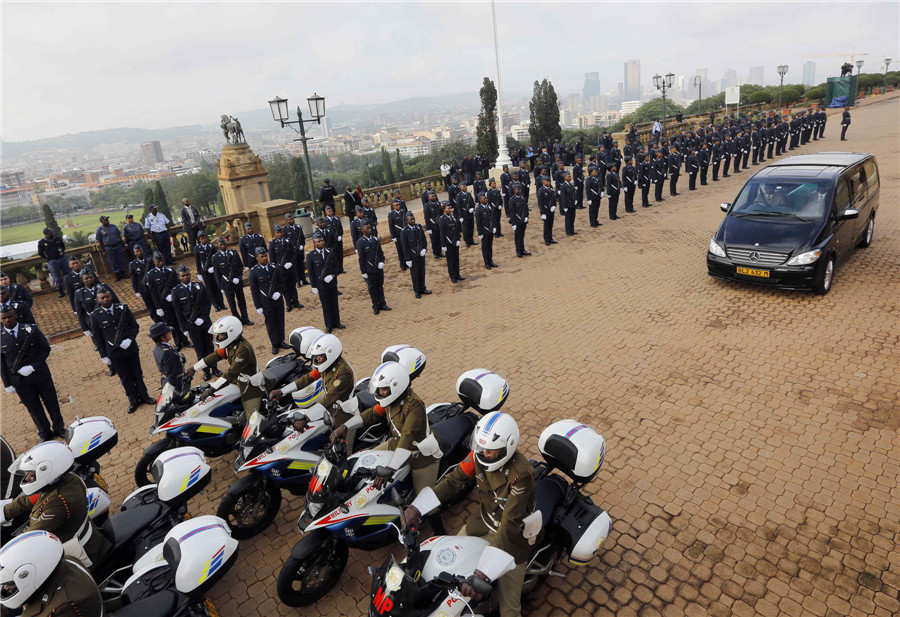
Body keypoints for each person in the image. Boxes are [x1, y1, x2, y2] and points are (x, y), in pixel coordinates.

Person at [402, 412, 533, 617]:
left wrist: (481, 573)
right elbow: (454, 480)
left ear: (507, 448)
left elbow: (509, 524)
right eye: (481, 448)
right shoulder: (477, 455)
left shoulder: (521, 475)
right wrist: (418, 507)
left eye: (490, 451)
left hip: (511, 539)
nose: (484, 454)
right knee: (445, 562)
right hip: (481, 523)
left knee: (509, 610)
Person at [332, 361, 439, 507]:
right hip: (395, 444)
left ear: (396, 387)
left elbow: (408, 436)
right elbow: (371, 414)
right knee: (363, 462)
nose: (380, 393)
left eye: (383, 390)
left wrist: (389, 469)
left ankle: (437, 527)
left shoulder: (414, 405)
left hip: (419, 456)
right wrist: (345, 426)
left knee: (425, 504)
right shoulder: (390, 400)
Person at [0, 441, 112, 570]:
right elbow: (28, 500)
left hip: (79, 555)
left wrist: (6, 554)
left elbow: (31, 536)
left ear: (47, 470)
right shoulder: (65, 480)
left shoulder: (58, 501)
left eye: (31, 474)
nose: (28, 478)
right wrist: (5, 512)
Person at [0, 530, 103, 617]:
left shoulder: (60, 607)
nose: (7, 588)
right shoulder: (64, 562)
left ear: (26, 575)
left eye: (8, 585)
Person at [0, 307, 65, 441]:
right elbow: (1, 363)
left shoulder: (30, 329)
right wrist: (7, 384)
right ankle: (45, 433)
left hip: (40, 374)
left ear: (16, 316)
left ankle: (59, 428)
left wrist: (33, 366)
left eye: (9, 316)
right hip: (19, 380)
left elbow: (45, 349)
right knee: (33, 408)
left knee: (52, 403)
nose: (7, 320)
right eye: (4, 318)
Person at [270, 332, 355, 432]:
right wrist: (282, 391)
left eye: (320, 357)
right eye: (316, 357)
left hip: (344, 412)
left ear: (330, 354)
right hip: (329, 408)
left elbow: (329, 398)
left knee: (341, 442)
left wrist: (306, 417)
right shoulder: (327, 365)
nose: (317, 359)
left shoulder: (344, 374)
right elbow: (307, 379)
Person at [187, 316, 262, 423]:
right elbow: (214, 356)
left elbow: (231, 373)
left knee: (251, 420)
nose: (219, 337)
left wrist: (212, 389)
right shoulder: (230, 345)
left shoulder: (243, 349)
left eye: (221, 335)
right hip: (237, 380)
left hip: (250, 386)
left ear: (231, 333)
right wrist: (194, 368)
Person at [89, 289, 153, 414]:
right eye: (102, 298)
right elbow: (98, 338)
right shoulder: (95, 315)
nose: (105, 299)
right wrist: (103, 356)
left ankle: (145, 396)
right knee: (125, 377)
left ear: (111, 296)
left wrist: (129, 339)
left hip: (130, 348)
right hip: (114, 352)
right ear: (98, 301)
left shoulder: (122, 308)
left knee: (137, 374)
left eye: (107, 296)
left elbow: (134, 326)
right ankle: (133, 400)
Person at [171, 265, 216, 380]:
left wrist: (204, 317)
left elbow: (207, 303)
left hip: (205, 323)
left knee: (210, 347)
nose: (186, 277)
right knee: (200, 350)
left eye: (187, 275)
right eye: (183, 276)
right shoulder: (176, 292)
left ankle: (214, 368)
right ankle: (205, 370)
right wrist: (184, 329)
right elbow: (178, 312)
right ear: (179, 277)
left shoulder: (199, 286)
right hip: (191, 326)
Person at [248, 246, 290, 354]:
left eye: (266, 256)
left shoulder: (274, 267)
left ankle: (281, 340)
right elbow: (254, 290)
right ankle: (274, 343)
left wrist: (279, 292)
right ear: (257, 258)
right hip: (265, 301)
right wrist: (258, 306)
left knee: (280, 320)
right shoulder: (254, 272)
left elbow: (281, 282)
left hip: (277, 299)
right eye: (262, 257)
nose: (265, 258)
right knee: (270, 322)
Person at [149, 322, 198, 398]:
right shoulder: (167, 353)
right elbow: (171, 375)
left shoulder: (158, 348)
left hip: (165, 380)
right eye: (168, 332)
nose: (171, 332)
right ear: (162, 337)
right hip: (176, 383)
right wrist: (175, 389)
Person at [307, 232, 343, 333]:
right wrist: (313, 286)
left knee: (334, 303)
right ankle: (329, 325)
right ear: (314, 243)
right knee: (326, 305)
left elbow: (337, 266)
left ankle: (337, 322)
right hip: (321, 285)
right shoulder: (311, 256)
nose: (321, 243)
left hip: (331, 283)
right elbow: (311, 273)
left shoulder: (329, 252)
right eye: (318, 241)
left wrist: (332, 276)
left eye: (322, 240)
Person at [212, 237, 253, 326]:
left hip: (236, 282)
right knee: (232, 304)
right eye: (220, 245)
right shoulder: (215, 257)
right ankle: (237, 320)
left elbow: (240, 266)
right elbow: (217, 273)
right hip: (226, 284)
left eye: (224, 244)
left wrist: (238, 277)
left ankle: (245, 318)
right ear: (218, 246)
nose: (223, 246)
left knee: (241, 301)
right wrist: (220, 287)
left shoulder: (233, 253)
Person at [355, 222, 390, 315]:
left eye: (370, 228)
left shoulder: (375, 239)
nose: (369, 230)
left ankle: (382, 303)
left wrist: (382, 261)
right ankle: (375, 305)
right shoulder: (360, 242)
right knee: (372, 288)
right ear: (362, 230)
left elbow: (380, 253)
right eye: (367, 228)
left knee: (380, 286)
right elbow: (361, 258)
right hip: (369, 269)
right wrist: (363, 272)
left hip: (378, 268)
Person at [268, 225, 303, 311]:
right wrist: (277, 267)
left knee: (292, 285)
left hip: (290, 268)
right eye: (278, 232)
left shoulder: (288, 241)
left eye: (281, 232)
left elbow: (294, 253)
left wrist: (291, 263)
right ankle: (288, 304)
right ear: (275, 233)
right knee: (284, 287)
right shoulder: (272, 244)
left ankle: (295, 301)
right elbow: (272, 258)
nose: (279, 234)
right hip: (280, 270)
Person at [194, 231, 226, 311]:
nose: (204, 240)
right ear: (199, 240)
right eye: (202, 239)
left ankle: (221, 304)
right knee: (210, 289)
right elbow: (198, 262)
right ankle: (215, 305)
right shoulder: (197, 248)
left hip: (213, 270)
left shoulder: (211, 246)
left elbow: (216, 258)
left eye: (204, 238)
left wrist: (214, 268)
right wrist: (199, 273)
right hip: (205, 272)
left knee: (217, 287)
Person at [37, 228, 68, 297]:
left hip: (62, 259)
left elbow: (63, 247)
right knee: (56, 276)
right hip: (52, 261)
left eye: (52, 232)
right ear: (46, 234)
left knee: (68, 273)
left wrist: (61, 253)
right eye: (50, 232)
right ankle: (60, 290)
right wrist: (48, 258)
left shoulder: (57, 239)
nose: (52, 233)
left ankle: (71, 287)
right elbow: (40, 253)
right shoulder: (42, 242)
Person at [95, 215, 127, 281]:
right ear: (101, 221)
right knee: (113, 261)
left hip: (118, 245)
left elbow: (119, 237)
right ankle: (117, 275)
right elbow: (100, 241)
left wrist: (123, 246)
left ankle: (123, 273)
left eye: (107, 219)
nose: (107, 220)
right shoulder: (99, 230)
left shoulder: (114, 226)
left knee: (121, 260)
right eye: (105, 220)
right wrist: (103, 251)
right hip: (108, 248)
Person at [128, 244, 157, 318]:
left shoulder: (150, 260)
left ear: (143, 251)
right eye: (137, 251)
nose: (139, 253)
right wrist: (136, 291)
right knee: (150, 307)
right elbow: (134, 278)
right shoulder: (133, 264)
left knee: (159, 304)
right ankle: (156, 321)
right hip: (143, 289)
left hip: (154, 287)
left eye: (140, 250)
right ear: (134, 253)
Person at [439, 201, 464, 283]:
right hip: (448, 243)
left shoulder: (453, 217)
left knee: (456, 258)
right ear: (444, 210)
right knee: (450, 260)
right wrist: (443, 245)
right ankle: (452, 276)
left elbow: (456, 229)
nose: (450, 210)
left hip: (455, 242)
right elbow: (442, 233)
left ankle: (457, 274)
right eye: (448, 208)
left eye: (450, 208)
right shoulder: (442, 219)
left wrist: (458, 239)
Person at [282, 212, 309, 286]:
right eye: (289, 219)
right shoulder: (285, 229)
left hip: (300, 250)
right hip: (292, 252)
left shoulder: (298, 227)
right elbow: (285, 241)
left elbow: (302, 238)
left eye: (292, 218)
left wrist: (302, 245)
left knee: (301, 265)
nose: (291, 220)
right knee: (295, 266)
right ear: (287, 220)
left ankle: (304, 280)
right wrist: (292, 248)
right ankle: (297, 281)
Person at [475, 192, 498, 270]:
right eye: (484, 198)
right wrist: (480, 233)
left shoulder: (489, 207)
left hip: (490, 230)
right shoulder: (478, 210)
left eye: (486, 198)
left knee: (490, 247)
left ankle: (491, 261)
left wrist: (494, 227)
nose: (486, 199)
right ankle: (487, 263)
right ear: (480, 200)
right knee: (485, 248)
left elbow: (493, 218)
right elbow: (478, 223)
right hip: (484, 232)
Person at [509, 185, 530, 257]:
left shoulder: (523, 198)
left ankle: (523, 249)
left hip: (523, 220)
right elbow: (512, 213)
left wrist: (526, 216)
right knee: (517, 237)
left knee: (522, 236)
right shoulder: (512, 200)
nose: (519, 191)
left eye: (520, 190)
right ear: (514, 191)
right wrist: (513, 223)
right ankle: (518, 251)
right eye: (518, 190)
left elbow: (525, 209)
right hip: (517, 221)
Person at [324, 204, 345, 274]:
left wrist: (340, 236)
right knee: (334, 256)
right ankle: (336, 270)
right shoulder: (325, 221)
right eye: (329, 211)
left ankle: (341, 268)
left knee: (340, 254)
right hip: (331, 242)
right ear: (326, 212)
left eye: (331, 211)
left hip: (338, 241)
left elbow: (340, 229)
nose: (331, 212)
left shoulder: (336, 219)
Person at [455, 183, 477, 247]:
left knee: (471, 227)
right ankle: (467, 241)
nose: (465, 187)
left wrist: (472, 208)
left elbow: (472, 203)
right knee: (465, 229)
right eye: (464, 186)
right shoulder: (459, 196)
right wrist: (460, 216)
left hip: (470, 214)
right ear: (460, 188)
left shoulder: (468, 194)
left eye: (465, 186)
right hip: (464, 215)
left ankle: (471, 240)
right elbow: (459, 207)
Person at [422, 192, 443, 259]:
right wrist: (428, 228)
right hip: (432, 226)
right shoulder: (427, 206)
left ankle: (440, 252)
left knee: (439, 239)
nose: (433, 197)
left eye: (434, 196)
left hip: (438, 225)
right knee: (434, 240)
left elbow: (441, 213)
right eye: (432, 196)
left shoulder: (438, 203)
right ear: (428, 197)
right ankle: (435, 253)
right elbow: (427, 217)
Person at [560, 171, 577, 236]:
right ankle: (568, 231)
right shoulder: (563, 186)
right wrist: (564, 206)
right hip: (568, 204)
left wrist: (575, 200)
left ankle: (572, 230)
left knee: (572, 218)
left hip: (572, 204)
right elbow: (563, 197)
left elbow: (574, 194)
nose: (570, 177)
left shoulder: (571, 184)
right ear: (565, 177)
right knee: (568, 218)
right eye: (569, 176)